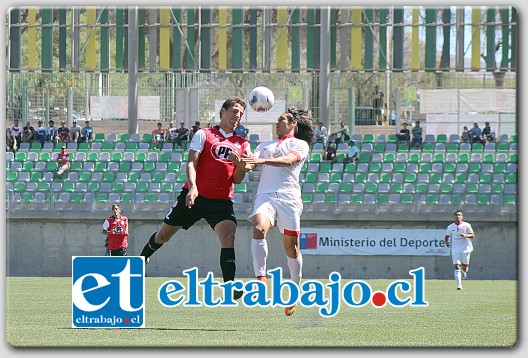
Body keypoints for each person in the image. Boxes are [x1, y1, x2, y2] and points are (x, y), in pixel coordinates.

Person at [139, 97, 251, 300]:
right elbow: (191, 163)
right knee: (163, 236)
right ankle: (143, 257)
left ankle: (230, 286)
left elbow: (238, 180)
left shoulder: (243, 144)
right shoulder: (204, 134)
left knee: (229, 236)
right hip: (195, 195)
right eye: (234, 111)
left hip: (221, 201)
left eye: (241, 113)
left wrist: (241, 165)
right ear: (222, 111)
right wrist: (192, 189)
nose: (237, 116)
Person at [240, 106, 315, 317]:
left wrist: (261, 161)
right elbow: (249, 165)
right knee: (258, 227)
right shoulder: (265, 145)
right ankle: (261, 279)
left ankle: (295, 289)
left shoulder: (299, 144)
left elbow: (289, 160)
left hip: (289, 198)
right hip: (265, 196)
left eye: (282, 120)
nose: (277, 123)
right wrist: (240, 161)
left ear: (293, 125)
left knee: (291, 247)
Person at [444, 210, 475, 290]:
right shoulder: (450, 227)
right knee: (457, 266)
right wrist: (447, 243)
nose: (458, 216)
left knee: (464, 266)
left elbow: (472, 235)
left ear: (462, 217)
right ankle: (459, 285)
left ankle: (464, 271)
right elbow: (447, 236)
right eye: (456, 215)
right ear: (454, 217)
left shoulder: (467, 225)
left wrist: (465, 235)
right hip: (455, 249)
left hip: (466, 248)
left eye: (459, 215)